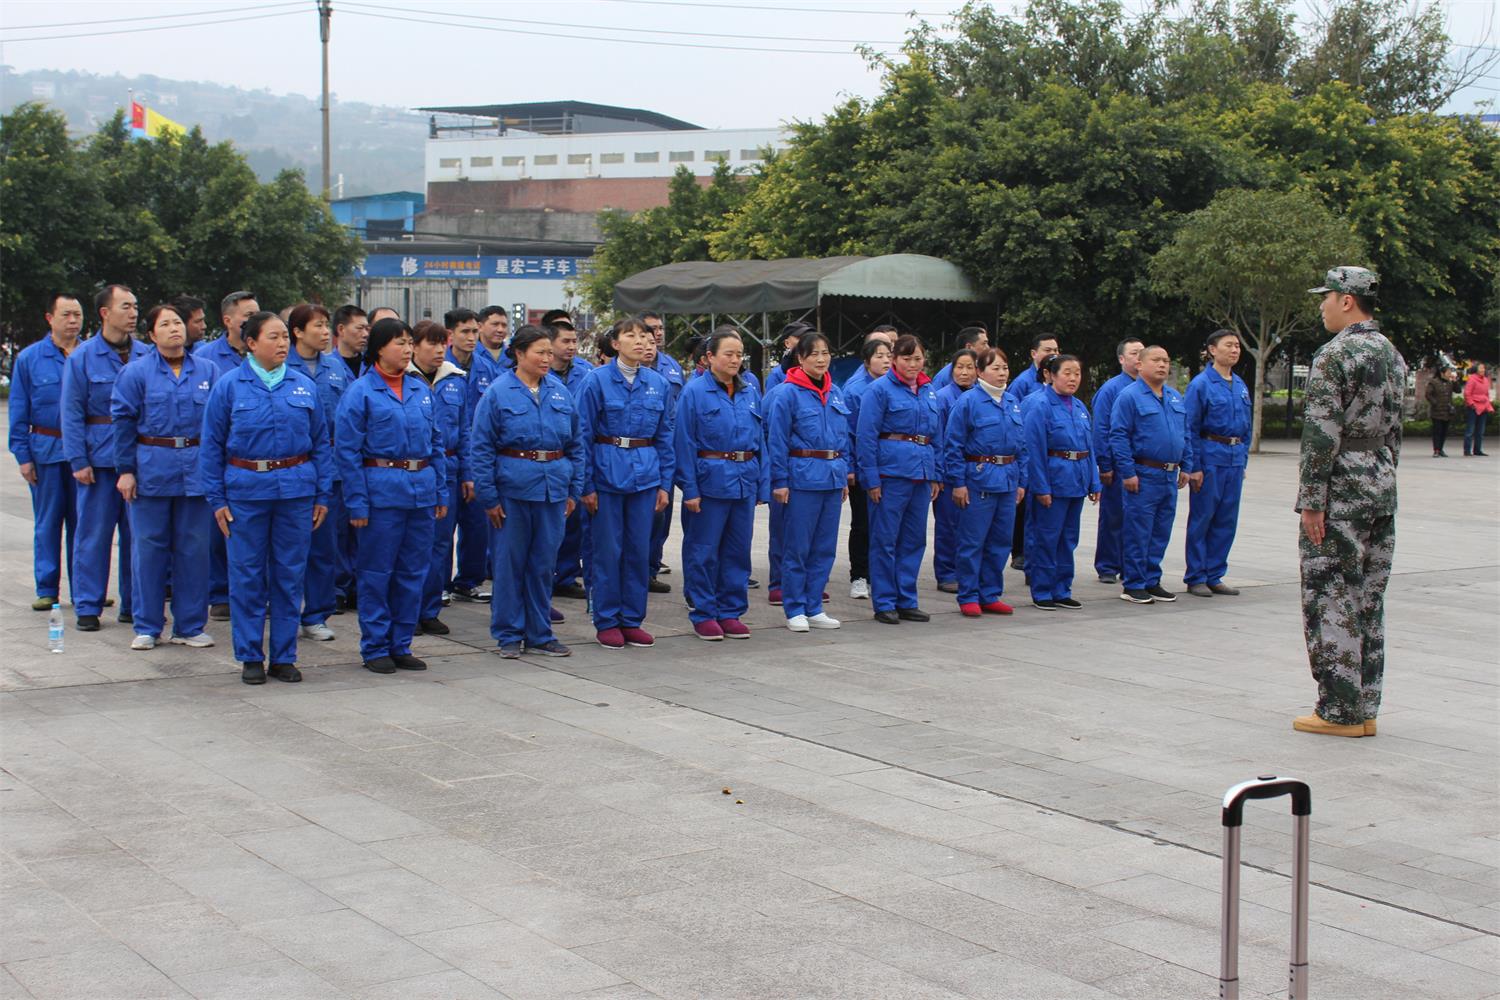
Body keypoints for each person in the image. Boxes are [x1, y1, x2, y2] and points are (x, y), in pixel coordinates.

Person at [1294, 266, 1405, 738]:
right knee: (1368, 599)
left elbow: (1321, 435)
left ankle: (1339, 710)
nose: (1322, 305)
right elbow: (1396, 431)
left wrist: (1311, 501)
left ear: (1346, 300)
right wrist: (1384, 477)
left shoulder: (1335, 354)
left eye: (1327, 296)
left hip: (1340, 490)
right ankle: (1365, 706)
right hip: (1380, 484)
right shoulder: (1391, 353)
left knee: (1331, 593)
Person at [199, 311, 333, 685]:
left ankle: (284, 656)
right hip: (246, 493)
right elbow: (211, 446)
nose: (282, 343)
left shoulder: (303, 385)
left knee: (290, 575)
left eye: (284, 337)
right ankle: (250, 656)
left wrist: (322, 494)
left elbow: (321, 443)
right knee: (247, 576)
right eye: (273, 337)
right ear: (251, 343)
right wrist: (217, 500)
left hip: (296, 492)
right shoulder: (229, 386)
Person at [336, 318, 448, 674]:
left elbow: (436, 444)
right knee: (376, 572)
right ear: (379, 348)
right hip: (381, 494)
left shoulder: (420, 389)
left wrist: (440, 491)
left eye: (409, 343)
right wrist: (356, 501)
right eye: (400, 343)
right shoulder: (361, 392)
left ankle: (401, 643)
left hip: (421, 491)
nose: (407, 349)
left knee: (412, 571)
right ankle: (375, 646)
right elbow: (347, 452)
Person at [110, 304, 219, 650]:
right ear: (151, 334)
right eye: (166, 324)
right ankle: (147, 625)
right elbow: (123, 424)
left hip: (196, 470)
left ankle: (190, 625)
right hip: (151, 469)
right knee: (148, 549)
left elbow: (220, 423)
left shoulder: (208, 370)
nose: (175, 329)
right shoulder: (135, 373)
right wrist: (126, 471)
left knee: (194, 550)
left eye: (178, 323)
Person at [470, 326, 583, 658]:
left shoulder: (560, 392)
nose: (547, 359)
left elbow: (576, 444)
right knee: (510, 565)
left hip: (553, 491)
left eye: (549, 352)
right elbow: (481, 448)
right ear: (519, 353)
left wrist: (573, 490)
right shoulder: (498, 393)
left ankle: (539, 633)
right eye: (540, 352)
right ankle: (508, 634)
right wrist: (489, 497)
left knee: (543, 564)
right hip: (513, 492)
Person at [576, 318, 675, 649]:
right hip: (607, 474)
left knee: (638, 550)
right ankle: (606, 619)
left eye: (644, 336)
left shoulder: (658, 383)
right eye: (630, 336)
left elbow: (665, 436)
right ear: (615, 344)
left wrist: (664, 484)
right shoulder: (596, 381)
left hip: (645, 476)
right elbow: (582, 435)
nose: (640, 341)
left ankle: (632, 619)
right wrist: (586, 485)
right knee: (608, 551)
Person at [61, 284, 148, 631]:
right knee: (93, 534)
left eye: (135, 306)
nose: (133, 313)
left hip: (139, 459)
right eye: (125, 306)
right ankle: (87, 604)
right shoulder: (83, 357)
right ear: (104, 313)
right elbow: (71, 412)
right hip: (98, 460)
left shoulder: (145, 354)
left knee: (137, 536)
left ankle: (134, 603)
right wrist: (78, 460)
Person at [674, 330, 768, 640]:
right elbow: (683, 442)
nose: (735, 359)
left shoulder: (749, 391)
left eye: (739, 354)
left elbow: (761, 440)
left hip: (744, 480)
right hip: (709, 482)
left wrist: (762, 484)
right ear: (709, 357)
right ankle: (704, 612)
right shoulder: (694, 392)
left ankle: (730, 611)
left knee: (738, 551)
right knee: (703, 551)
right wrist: (690, 489)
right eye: (728, 353)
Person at [856, 334, 941, 625]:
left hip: (921, 473)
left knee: (914, 540)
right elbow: (866, 436)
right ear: (894, 360)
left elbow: (937, 436)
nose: (913, 364)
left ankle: (907, 599)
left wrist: (936, 474)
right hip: (891, 474)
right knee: (885, 539)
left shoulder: (929, 390)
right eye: (906, 358)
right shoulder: (879, 390)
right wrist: (871, 478)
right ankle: (884, 601)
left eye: (918, 358)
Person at [767, 333, 850, 631]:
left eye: (825, 353)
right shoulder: (786, 394)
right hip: (802, 478)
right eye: (813, 354)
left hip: (832, 477)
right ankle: (795, 608)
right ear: (800, 358)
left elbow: (843, 437)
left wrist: (843, 474)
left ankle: (814, 606)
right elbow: (776, 440)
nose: (821, 359)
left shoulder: (835, 392)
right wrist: (779, 481)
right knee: (798, 547)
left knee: (825, 547)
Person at [10, 293, 83, 611]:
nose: (73, 321)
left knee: (85, 524)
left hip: (84, 454)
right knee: (48, 522)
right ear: (50, 318)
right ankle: (47, 588)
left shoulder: (89, 355)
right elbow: (19, 410)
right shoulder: (30, 359)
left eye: (78, 314)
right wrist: (23, 457)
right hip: (46, 450)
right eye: (66, 314)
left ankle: (85, 588)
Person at [940, 347, 1026, 617]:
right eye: (995, 368)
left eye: (1005, 368)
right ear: (980, 371)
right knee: (972, 541)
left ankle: (990, 593)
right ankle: (968, 594)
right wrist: (958, 482)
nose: (1002, 373)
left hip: (1008, 479)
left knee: (1000, 541)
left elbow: (1022, 446)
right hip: (979, 479)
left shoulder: (1012, 401)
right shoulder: (968, 402)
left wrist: (1022, 481)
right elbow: (953, 445)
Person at [285, 303, 350, 641]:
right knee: (287, 548)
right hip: (292, 465)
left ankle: (316, 614)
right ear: (297, 331)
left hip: (331, 467)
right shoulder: (281, 366)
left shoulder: (336, 368)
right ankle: (283, 609)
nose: (326, 332)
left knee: (324, 545)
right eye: (318, 326)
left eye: (327, 325)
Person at [196, 291, 261, 622]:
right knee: (218, 527)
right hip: (220, 451)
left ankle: (255, 593)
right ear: (228, 320)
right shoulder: (206, 358)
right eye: (247, 315)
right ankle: (220, 592)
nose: (253, 319)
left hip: (254, 456)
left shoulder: (266, 356)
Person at [1109, 346, 1192, 605]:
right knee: (1138, 531)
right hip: (1144, 473)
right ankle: (1133, 583)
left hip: (1169, 474)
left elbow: (1185, 433)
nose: (1162, 365)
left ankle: (1151, 579)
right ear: (1140, 365)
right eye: (1156, 360)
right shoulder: (1129, 396)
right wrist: (1127, 472)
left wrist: (1187, 465)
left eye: (1166, 360)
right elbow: (1118, 436)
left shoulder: (1174, 396)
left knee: (1160, 530)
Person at [1022, 354, 1101, 610]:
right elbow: (1034, 450)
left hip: (1076, 480)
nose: (1073, 378)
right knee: (1046, 537)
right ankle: (1042, 590)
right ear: (1051, 375)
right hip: (1053, 481)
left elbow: (1089, 447)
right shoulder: (1039, 405)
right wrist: (1041, 487)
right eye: (1067, 373)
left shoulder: (1079, 407)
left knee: (1068, 539)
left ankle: (1062, 588)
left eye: (1077, 373)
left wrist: (1094, 482)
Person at [406, 320, 469, 637]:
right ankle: (408, 610)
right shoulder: (402, 378)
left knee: (441, 544)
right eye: (431, 344)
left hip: (448, 469)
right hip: (413, 469)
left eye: (442, 343)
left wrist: (468, 473)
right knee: (412, 545)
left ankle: (429, 609)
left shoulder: (456, 380)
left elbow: (466, 429)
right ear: (414, 347)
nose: (439, 350)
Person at [1183, 330, 1251, 597]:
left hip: (1233, 460)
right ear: (1212, 350)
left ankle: (1214, 574)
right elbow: (1190, 427)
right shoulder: (1201, 384)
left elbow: (1246, 427)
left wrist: (1243, 460)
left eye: (1237, 346)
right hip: (1210, 457)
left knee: (1227, 519)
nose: (1235, 350)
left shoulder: (1240, 384)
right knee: (1203, 518)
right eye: (1228, 345)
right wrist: (1194, 466)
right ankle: (1196, 576)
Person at [447, 307, 495, 605]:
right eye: (465, 331)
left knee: (477, 525)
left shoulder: (486, 368)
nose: (471, 337)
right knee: (443, 527)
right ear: (450, 334)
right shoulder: (441, 366)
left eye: (475, 331)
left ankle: (469, 581)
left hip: (479, 457)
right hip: (449, 455)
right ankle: (439, 584)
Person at [548, 317, 595, 601]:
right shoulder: (538, 374)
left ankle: (566, 575)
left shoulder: (587, 373)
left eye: (574, 341)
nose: (571, 346)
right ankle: (547, 577)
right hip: (549, 456)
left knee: (574, 520)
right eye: (565, 341)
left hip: (576, 454)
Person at [1089, 338, 1143, 584]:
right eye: (1134, 353)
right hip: (1118, 463)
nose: (1139, 357)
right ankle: (1108, 565)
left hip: (1141, 464)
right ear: (1122, 359)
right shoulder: (1111, 389)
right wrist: (1105, 464)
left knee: (1136, 518)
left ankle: (1129, 564)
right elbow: (1101, 428)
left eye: (1142, 352)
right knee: (1113, 515)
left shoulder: (1148, 388)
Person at [843, 336, 892, 600]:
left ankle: (879, 574)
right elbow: (849, 434)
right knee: (862, 524)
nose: (885, 360)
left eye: (889, 356)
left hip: (889, 468)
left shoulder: (896, 386)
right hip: (863, 468)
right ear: (866, 361)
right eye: (879, 356)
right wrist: (850, 467)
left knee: (885, 525)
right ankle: (859, 575)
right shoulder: (855, 390)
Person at [644, 312, 686, 593]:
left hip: (666, 450)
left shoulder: (671, 367)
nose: (656, 334)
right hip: (635, 452)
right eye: (650, 330)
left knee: (661, 516)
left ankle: (651, 569)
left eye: (659, 329)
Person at [932, 348, 978, 592]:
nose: (964, 372)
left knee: (970, 528)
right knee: (947, 526)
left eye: (970, 367)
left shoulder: (981, 397)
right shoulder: (942, 398)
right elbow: (937, 438)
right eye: (959, 367)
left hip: (975, 472)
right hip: (949, 473)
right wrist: (939, 473)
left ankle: (967, 573)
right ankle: (946, 573)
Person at [841, 326, 897, 395]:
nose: (893, 346)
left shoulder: (898, 380)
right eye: (889, 343)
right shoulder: (854, 388)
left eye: (896, 342)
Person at [763, 322, 812, 395]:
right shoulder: (776, 374)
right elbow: (771, 400)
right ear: (787, 343)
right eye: (799, 338)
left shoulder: (817, 368)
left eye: (807, 337)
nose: (805, 341)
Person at [1423, 366, 1455, 457]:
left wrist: (1455, 381)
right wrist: (1435, 403)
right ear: (1442, 373)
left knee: (1444, 431)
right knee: (1437, 431)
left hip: (1447, 411)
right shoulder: (1434, 382)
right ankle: (1436, 450)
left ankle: (1441, 449)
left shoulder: (1449, 383)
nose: (1449, 374)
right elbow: (1428, 394)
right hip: (1437, 411)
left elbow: (1458, 390)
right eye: (1448, 373)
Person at [333, 304, 370, 380]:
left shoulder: (371, 364)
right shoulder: (325, 366)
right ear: (341, 329)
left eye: (367, 329)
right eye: (360, 328)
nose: (366, 334)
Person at [1462, 363, 1492, 456]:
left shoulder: (1486, 380)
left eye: (1483, 368)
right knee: (1470, 430)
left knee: (1480, 431)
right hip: (1473, 407)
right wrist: (1471, 404)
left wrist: (1488, 404)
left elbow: (1486, 394)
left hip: (1483, 407)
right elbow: (1467, 393)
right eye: (1481, 368)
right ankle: (1467, 450)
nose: (1483, 370)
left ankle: (1477, 450)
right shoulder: (1472, 379)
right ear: (1476, 369)